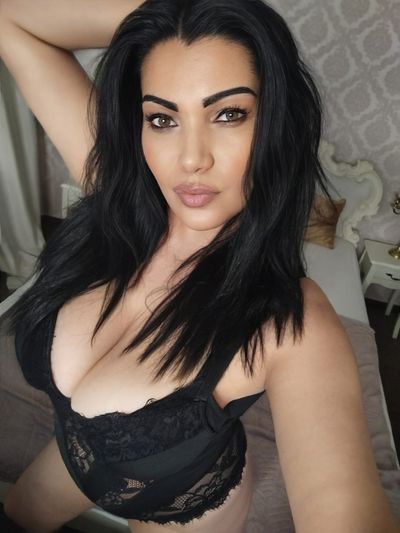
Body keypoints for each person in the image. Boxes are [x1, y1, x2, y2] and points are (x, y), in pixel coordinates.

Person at [0, 1, 399, 532]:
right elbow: (12, 20)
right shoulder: (117, 197)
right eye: (162, 119)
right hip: (75, 450)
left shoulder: (294, 323)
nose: (191, 159)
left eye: (228, 114)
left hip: (179, 504)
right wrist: (178, 13)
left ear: (276, 124)